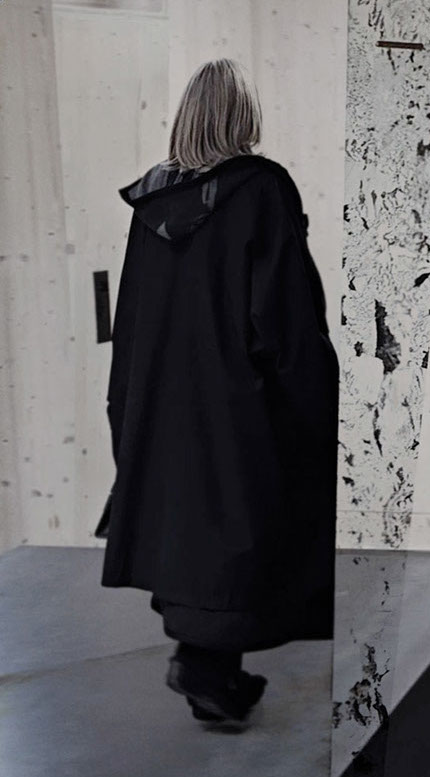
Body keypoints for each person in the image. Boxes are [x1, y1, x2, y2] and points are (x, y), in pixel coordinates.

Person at [101, 59, 339, 722]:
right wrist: (318, 397)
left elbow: (133, 320)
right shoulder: (261, 190)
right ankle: (206, 669)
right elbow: (284, 314)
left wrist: (127, 410)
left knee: (194, 533)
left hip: (164, 404)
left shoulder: (150, 204)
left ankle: (209, 672)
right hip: (241, 403)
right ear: (243, 118)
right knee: (246, 526)